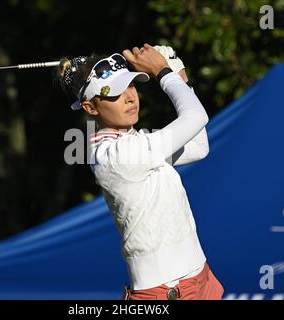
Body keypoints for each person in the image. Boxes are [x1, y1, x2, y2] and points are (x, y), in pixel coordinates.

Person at [55, 43, 224, 300]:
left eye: (131, 85)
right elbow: (196, 117)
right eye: (115, 93)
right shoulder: (115, 155)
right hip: (167, 292)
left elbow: (199, 147)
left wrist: (178, 73)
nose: (130, 97)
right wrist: (164, 72)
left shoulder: (140, 142)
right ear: (91, 108)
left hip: (200, 278)